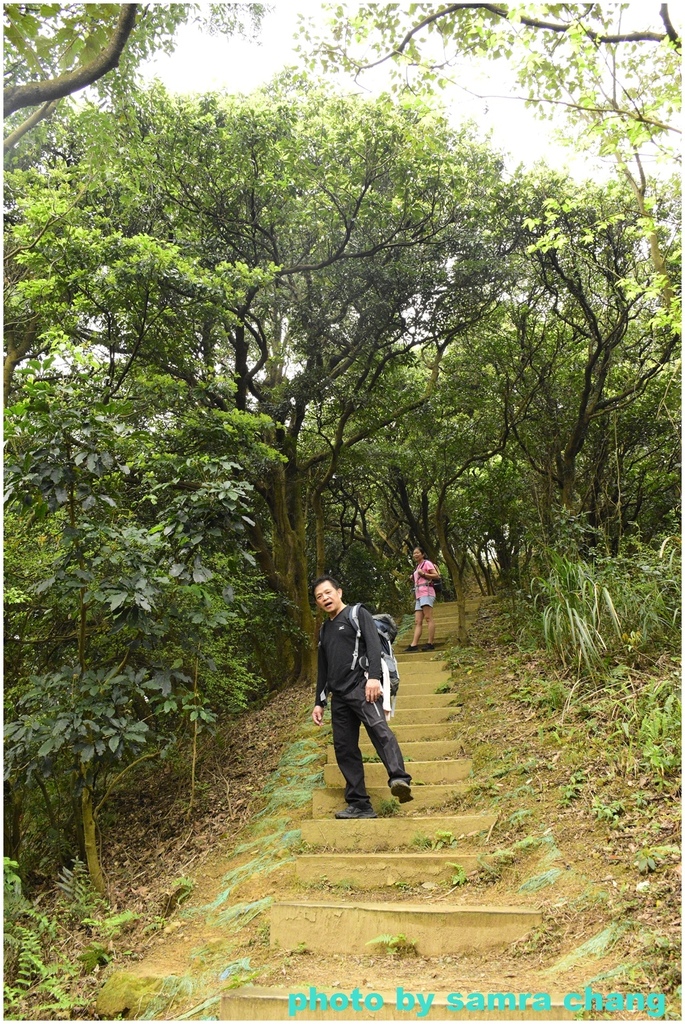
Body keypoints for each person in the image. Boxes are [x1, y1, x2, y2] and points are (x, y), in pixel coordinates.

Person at [311, 575, 412, 819]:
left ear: (339, 592)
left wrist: (374, 678)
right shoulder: (325, 629)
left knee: (379, 729)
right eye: (319, 596)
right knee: (344, 748)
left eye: (327, 592)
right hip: (340, 696)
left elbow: (373, 644)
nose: (324, 598)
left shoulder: (357, 613)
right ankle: (359, 804)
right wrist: (319, 701)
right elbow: (323, 668)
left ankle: (399, 778)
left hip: (362, 686)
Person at [405, 545, 441, 652]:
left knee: (428, 618)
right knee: (417, 621)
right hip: (418, 594)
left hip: (427, 592)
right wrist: (413, 577)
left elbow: (437, 576)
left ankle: (430, 643)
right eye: (414, 553)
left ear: (422, 554)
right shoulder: (417, 567)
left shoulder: (427, 563)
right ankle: (414, 644)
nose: (415, 555)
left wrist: (424, 573)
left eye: (417, 553)